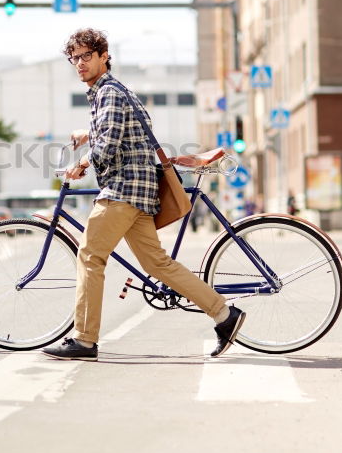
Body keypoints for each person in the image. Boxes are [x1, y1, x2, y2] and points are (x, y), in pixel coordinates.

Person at [42, 28, 245, 361]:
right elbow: (118, 132)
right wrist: (88, 133)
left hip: (122, 190)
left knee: (90, 256)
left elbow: (108, 147)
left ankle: (84, 339)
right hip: (139, 190)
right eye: (74, 58)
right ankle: (225, 315)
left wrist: (80, 164)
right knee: (158, 264)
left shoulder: (108, 92)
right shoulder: (115, 90)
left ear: (103, 55)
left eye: (86, 56)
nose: (79, 63)